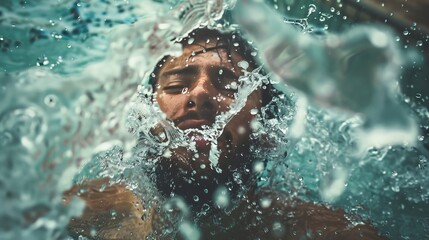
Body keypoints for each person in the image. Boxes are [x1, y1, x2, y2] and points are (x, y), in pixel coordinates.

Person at [64, 27, 387, 239]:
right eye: (176, 86)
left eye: (231, 85)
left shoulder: (328, 233)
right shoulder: (76, 213)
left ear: (266, 132)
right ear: (142, 121)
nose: (200, 93)